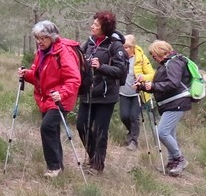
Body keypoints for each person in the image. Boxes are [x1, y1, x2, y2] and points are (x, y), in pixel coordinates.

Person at [19, 21, 82, 178]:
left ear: (52, 37)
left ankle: (53, 168)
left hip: (61, 99)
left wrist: (62, 94)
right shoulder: (41, 52)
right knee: (52, 131)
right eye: (37, 38)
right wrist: (26, 74)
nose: (39, 41)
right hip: (46, 98)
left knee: (47, 127)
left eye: (43, 38)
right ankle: (59, 166)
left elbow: (74, 79)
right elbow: (37, 76)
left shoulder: (63, 52)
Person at [77, 11, 128, 174]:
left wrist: (101, 67)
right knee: (81, 126)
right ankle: (93, 157)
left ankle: (98, 165)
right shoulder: (90, 42)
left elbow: (120, 71)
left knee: (100, 130)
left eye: (96, 25)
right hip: (88, 92)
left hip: (106, 95)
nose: (92, 26)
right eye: (93, 23)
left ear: (105, 27)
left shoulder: (115, 45)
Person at [140, 40, 193, 177]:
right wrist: (144, 86)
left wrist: (152, 87)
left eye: (154, 55)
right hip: (171, 102)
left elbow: (173, 84)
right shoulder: (168, 63)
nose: (153, 58)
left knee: (162, 132)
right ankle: (171, 163)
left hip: (177, 102)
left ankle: (180, 159)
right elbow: (162, 84)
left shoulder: (174, 63)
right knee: (171, 134)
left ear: (162, 52)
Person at [119, 34, 154, 149]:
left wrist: (142, 78)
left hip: (138, 93)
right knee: (124, 116)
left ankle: (134, 141)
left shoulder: (141, 58)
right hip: (123, 92)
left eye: (127, 47)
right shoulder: (119, 57)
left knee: (134, 116)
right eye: (123, 46)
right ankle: (131, 132)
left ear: (133, 47)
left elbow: (152, 74)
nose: (125, 49)